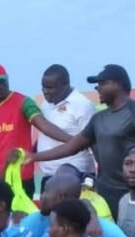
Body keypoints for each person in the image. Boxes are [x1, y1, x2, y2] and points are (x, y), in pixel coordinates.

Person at [27, 64, 135, 219]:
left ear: (118, 84)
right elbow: (71, 147)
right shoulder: (98, 119)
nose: (97, 88)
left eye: (102, 83)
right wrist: (33, 157)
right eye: (97, 85)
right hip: (106, 193)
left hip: (134, 191)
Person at [0, 64, 72, 199]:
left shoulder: (24, 102)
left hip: (21, 177)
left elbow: (44, 126)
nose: (1, 86)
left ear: (7, 79)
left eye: (3, 81)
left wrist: (74, 141)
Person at [37, 64, 98, 192]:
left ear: (65, 84)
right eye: (43, 87)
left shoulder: (83, 105)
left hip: (77, 176)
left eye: (50, 87)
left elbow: (92, 143)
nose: (45, 91)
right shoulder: (45, 105)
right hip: (49, 176)